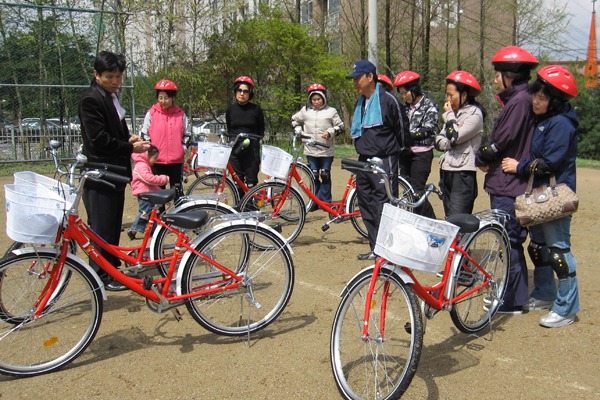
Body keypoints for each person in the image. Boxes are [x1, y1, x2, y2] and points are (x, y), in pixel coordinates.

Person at [501, 65, 579, 328]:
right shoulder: (544, 120)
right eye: (535, 94)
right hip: (538, 196)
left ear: (554, 101)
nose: (535, 100)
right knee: (538, 248)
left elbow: (549, 163)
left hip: (554, 197)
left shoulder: (561, 124)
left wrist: (519, 166)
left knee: (558, 251)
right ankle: (545, 294)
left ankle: (567, 308)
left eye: (542, 97)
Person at [78, 51, 150, 291]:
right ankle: (101, 276)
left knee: (110, 226)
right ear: (96, 74)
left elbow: (113, 132)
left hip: (114, 173)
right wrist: (129, 147)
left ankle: (109, 270)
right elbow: (98, 139)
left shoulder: (109, 96)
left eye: (118, 76)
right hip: (101, 173)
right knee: (101, 228)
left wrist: (128, 139)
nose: (115, 81)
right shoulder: (91, 99)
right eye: (109, 76)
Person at [476, 46, 539, 314]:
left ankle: (512, 300)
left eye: (497, 74)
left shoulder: (519, 101)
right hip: (507, 181)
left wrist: (481, 156)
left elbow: (500, 143)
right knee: (509, 240)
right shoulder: (521, 99)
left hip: (508, 184)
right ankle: (513, 295)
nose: (494, 80)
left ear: (510, 75)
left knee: (509, 239)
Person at [347, 60, 405, 260]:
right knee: (366, 204)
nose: (355, 82)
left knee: (384, 206)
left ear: (370, 76)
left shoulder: (388, 100)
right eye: (353, 79)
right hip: (364, 160)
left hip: (385, 159)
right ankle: (376, 249)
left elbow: (401, 128)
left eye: (358, 78)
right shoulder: (360, 103)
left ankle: (388, 251)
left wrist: (395, 152)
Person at [435, 71, 484, 217]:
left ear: (464, 95)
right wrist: (451, 140)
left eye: (451, 95)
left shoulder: (475, 114)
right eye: (447, 95)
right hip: (446, 170)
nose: (448, 100)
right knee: (449, 218)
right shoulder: (454, 114)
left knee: (457, 219)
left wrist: (450, 118)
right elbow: (438, 141)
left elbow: (454, 137)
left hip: (463, 174)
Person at [291, 83, 344, 208]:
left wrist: (330, 132)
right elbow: (294, 120)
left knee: (325, 175)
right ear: (310, 100)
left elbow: (340, 126)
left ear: (324, 98)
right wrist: (299, 131)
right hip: (310, 149)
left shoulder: (331, 111)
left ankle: (325, 202)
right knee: (313, 176)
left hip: (326, 150)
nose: (316, 102)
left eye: (319, 99)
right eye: (313, 99)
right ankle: (314, 201)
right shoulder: (305, 111)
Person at [394, 71, 438, 218]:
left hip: (421, 154)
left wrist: (406, 136)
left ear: (414, 89)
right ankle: (415, 221)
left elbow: (427, 129)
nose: (404, 96)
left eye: (405, 92)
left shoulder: (430, 106)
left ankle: (431, 222)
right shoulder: (404, 108)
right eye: (401, 94)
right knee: (408, 192)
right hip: (405, 153)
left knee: (417, 192)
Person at [140, 79, 190, 193]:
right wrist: (151, 151)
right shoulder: (151, 113)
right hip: (156, 161)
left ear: (173, 97)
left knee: (177, 191)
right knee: (158, 192)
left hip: (176, 161)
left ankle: (177, 205)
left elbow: (187, 135)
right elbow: (144, 134)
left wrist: (182, 150)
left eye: (166, 98)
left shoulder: (180, 115)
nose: (163, 101)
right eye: (160, 97)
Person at [225, 76, 265, 197]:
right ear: (235, 91)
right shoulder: (230, 109)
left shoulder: (256, 109)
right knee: (237, 181)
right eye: (239, 90)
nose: (242, 94)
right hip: (235, 149)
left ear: (250, 93)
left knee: (251, 182)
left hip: (251, 149)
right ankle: (239, 205)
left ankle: (250, 204)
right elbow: (230, 129)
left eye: (245, 91)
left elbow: (261, 131)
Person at [127, 145, 170, 240]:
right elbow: (149, 179)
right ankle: (133, 229)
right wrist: (163, 179)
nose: (155, 160)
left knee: (151, 213)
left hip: (147, 192)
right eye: (155, 158)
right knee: (145, 213)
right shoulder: (142, 165)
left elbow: (150, 185)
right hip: (144, 194)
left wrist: (160, 192)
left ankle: (154, 230)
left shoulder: (144, 164)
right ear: (148, 155)